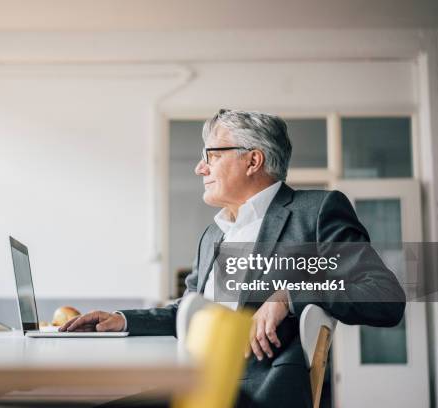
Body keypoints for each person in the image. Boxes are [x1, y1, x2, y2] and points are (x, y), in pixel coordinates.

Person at [61, 109, 406, 407]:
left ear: (253, 160)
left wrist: (288, 295)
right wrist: (121, 320)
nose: (200, 168)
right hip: (195, 384)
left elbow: (384, 296)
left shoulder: (314, 212)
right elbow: (188, 313)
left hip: (256, 394)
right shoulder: (214, 234)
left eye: (211, 155)